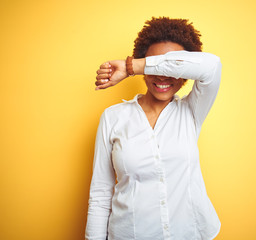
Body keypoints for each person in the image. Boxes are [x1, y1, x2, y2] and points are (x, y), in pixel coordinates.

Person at [85, 16, 222, 240]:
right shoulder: (113, 118)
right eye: (155, 64)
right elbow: (100, 193)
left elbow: (212, 66)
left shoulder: (192, 111)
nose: (162, 75)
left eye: (171, 66)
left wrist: (134, 66)